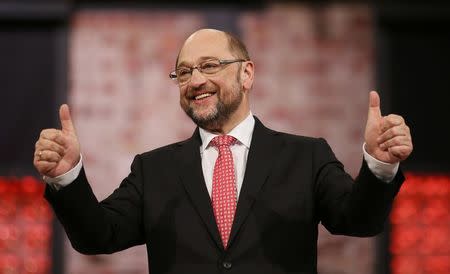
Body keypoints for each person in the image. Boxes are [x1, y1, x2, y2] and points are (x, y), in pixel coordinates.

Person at [33, 29, 413, 274]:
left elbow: (359, 220)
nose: (195, 81)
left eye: (210, 66)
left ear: (246, 73)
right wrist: (67, 175)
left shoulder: (306, 157)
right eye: (183, 72)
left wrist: (378, 165)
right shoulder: (154, 169)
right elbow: (99, 236)